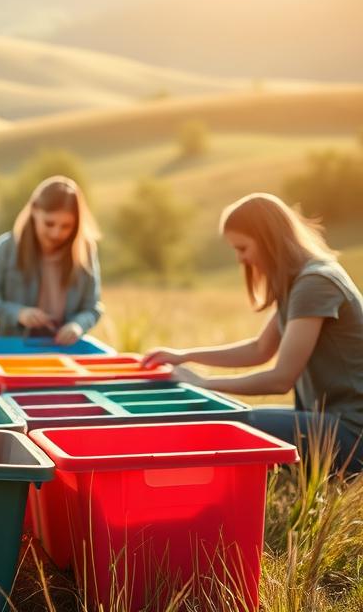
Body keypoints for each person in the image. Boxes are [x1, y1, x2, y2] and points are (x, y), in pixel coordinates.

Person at [145, 193, 363, 473]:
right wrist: (183, 355)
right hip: (329, 422)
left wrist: (203, 383)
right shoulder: (301, 282)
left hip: (351, 431)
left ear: (269, 240)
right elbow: (259, 349)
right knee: (233, 416)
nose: (240, 259)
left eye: (243, 248)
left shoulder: (315, 283)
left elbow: (281, 379)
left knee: (233, 426)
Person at [0, 176, 103, 345]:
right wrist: (19, 313)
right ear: (34, 210)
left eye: (66, 226)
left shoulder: (86, 250)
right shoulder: (7, 247)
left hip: (66, 351)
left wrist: (77, 325)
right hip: (14, 349)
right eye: (49, 223)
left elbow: (92, 308)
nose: (57, 233)